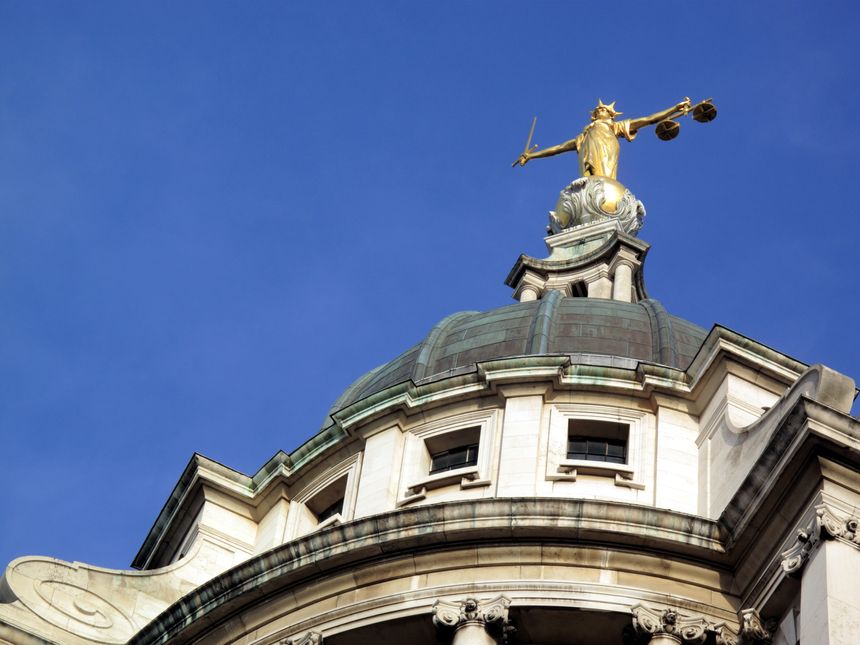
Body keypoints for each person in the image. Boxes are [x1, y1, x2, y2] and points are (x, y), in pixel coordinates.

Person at [516, 98, 692, 180]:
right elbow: (559, 148)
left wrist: (675, 108)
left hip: (608, 148)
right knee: (588, 182)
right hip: (588, 151)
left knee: (605, 181)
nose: (601, 111)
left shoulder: (615, 127)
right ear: (593, 116)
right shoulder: (583, 136)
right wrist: (532, 156)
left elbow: (649, 119)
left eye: (605, 110)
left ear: (611, 115)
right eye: (598, 110)